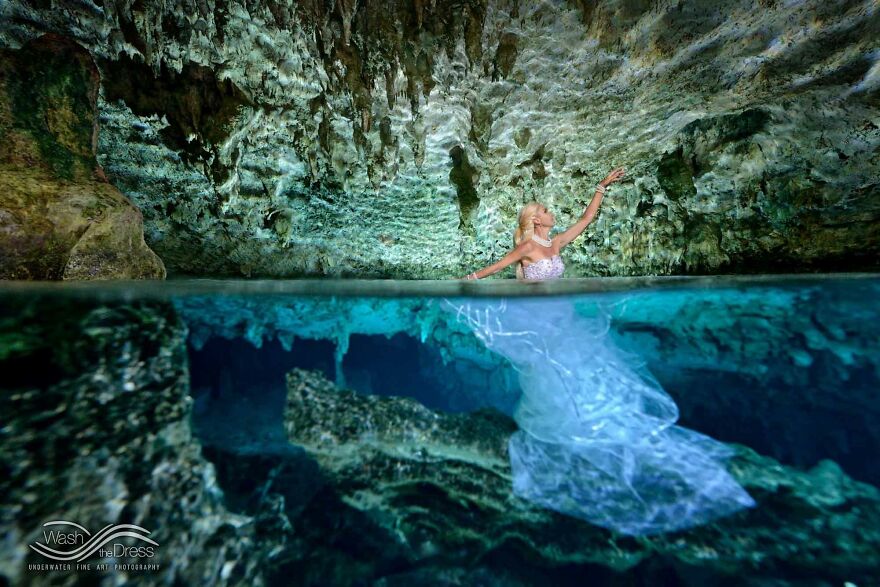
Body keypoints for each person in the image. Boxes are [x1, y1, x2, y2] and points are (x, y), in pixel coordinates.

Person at [460, 167, 626, 281]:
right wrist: (461, 282)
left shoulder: (556, 242)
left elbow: (586, 219)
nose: (551, 213)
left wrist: (602, 186)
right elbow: (496, 268)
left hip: (558, 306)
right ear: (536, 220)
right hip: (533, 309)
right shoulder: (528, 247)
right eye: (546, 211)